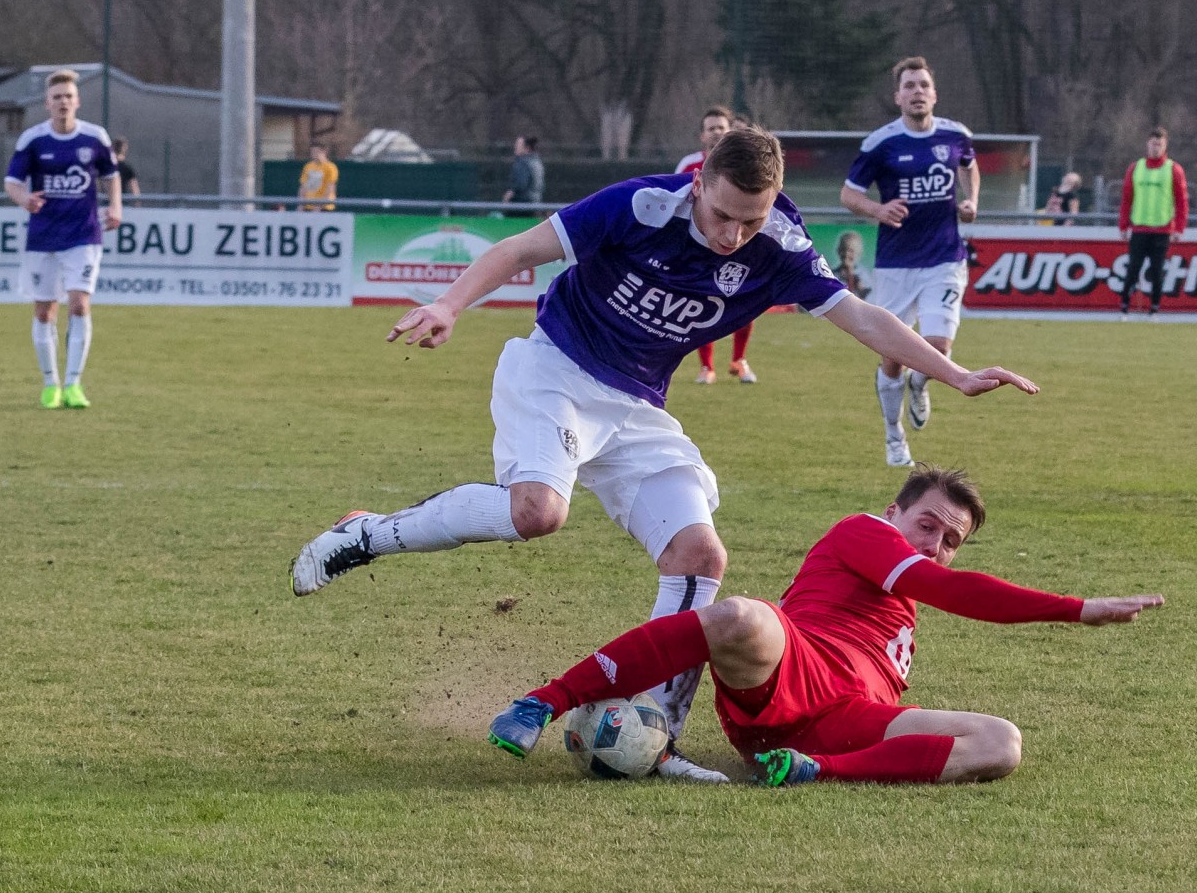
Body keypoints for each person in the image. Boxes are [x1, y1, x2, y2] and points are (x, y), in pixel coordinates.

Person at [289, 127, 1040, 781]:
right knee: (538, 514)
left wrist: (956, 373)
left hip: (638, 405)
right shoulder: (640, 204)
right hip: (555, 370)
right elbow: (523, 248)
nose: (732, 234)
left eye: (750, 220)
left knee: (699, 555)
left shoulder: (776, 243)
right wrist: (450, 304)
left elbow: (865, 319)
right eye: (720, 214)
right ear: (699, 177)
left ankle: (658, 734)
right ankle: (368, 533)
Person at [486, 466, 1163, 785]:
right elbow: (944, 587)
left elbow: (932, 588)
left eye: (949, 539)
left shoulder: (902, 605)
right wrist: (1077, 608)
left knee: (1001, 744)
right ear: (893, 512)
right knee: (739, 617)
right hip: (795, 663)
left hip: (851, 715)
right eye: (925, 524)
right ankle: (546, 701)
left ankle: (814, 771)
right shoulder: (864, 534)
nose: (933, 543)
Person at [840, 56, 979, 468]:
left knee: (939, 345)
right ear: (898, 96)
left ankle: (923, 380)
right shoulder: (880, 143)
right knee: (892, 354)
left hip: (945, 258)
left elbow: (970, 168)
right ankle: (893, 435)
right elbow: (849, 195)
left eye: (923, 85)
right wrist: (878, 211)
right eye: (909, 86)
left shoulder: (956, 135)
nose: (917, 91)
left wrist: (970, 201)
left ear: (934, 94)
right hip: (896, 264)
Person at [3, 68, 122, 410]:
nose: (63, 102)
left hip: (84, 234)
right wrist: (23, 198)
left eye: (69, 96)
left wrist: (115, 206)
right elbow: (11, 182)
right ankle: (49, 384)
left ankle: (73, 384)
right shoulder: (33, 140)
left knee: (79, 304)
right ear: (47, 103)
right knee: (44, 311)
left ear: (78, 101)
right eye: (57, 97)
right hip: (43, 236)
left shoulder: (94, 137)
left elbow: (112, 176)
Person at [678, 107, 758, 384]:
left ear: (730, 131)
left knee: (745, 299)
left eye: (721, 127)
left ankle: (739, 359)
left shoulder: (744, 164)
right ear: (702, 135)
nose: (716, 132)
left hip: (737, 244)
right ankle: (706, 367)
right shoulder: (689, 165)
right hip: (699, 246)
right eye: (711, 128)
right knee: (701, 302)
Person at [1117, 127, 1188, 318]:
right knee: (1133, 269)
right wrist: (1123, 225)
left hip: (1162, 229)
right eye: (1153, 144)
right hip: (1139, 228)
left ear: (1165, 146)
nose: (1156, 148)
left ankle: (1154, 309)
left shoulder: (1173, 169)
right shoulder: (1136, 167)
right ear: (1147, 144)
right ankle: (1124, 308)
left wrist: (1179, 228)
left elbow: (1182, 201)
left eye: (1160, 144)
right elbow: (1126, 198)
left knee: (1157, 272)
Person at [501, 135, 545, 215]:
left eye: (518, 145)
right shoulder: (537, 162)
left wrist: (509, 195)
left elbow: (520, 185)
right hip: (535, 204)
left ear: (527, 148)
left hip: (522, 206)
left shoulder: (522, 162)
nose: (515, 147)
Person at [831, 230, 871, 299]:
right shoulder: (832, 275)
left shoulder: (864, 275)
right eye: (843, 249)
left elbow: (869, 297)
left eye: (851, 251)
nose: (846, 254)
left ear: (859, 253)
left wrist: (857, 283)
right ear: (838, 251)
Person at [298, 143, 338, 211]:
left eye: (316, 152)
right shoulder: (308, 166)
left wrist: (320, 205)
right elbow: (303, 186)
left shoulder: (330, 167)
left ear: (324, 152)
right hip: (308, 206)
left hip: (325, 207)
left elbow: (330, 187)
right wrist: (301, 204)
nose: (314, 154)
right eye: (312, 152)